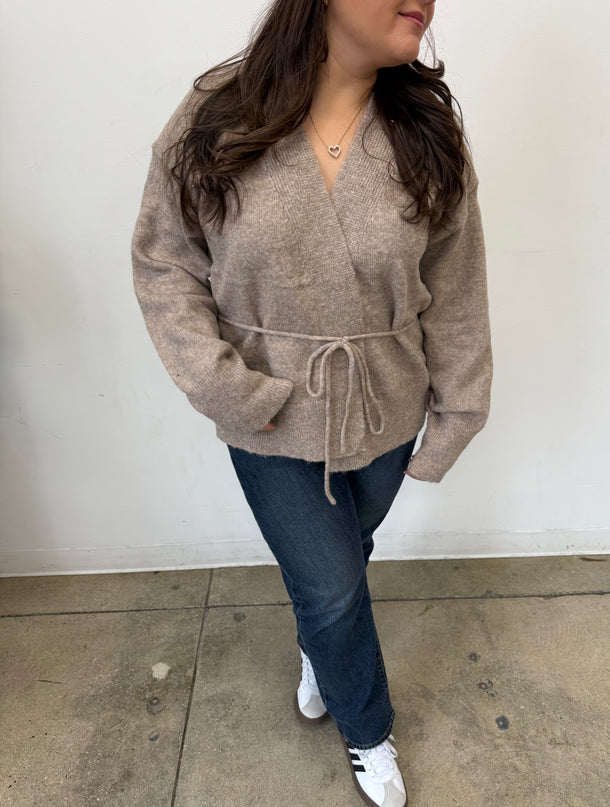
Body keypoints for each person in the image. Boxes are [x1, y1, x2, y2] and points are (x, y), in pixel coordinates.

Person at [131, 1, 493, 804]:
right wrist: (227, 386)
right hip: (266, 413)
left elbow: (457, 287)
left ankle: (321, 647)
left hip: (385, 407)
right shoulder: (216, 115)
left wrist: (457, 412)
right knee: (329, 584)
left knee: (338, 566)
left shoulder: (424, 132)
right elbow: (166, 264)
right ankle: (368, 729)